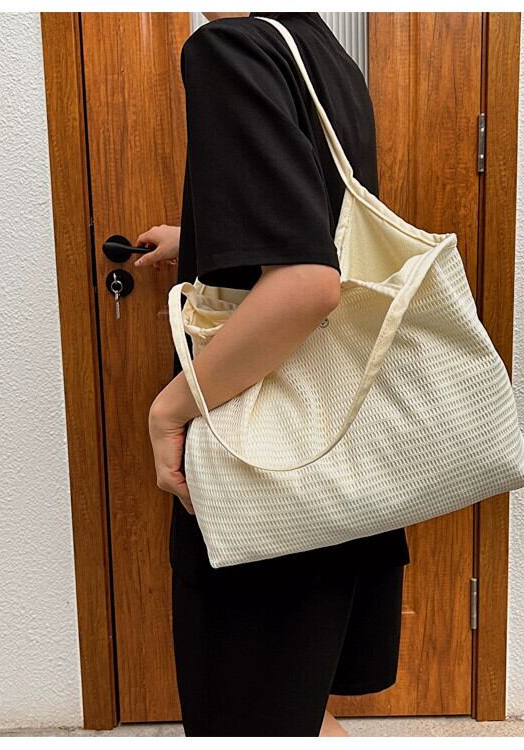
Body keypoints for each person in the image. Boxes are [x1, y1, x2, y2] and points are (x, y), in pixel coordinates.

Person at [136, 11, 410, 736]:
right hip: (335, 454)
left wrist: (170, 410)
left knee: (250, 720)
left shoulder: (228, 48)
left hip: (263, 476)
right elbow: (320, 228)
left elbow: (307, 283)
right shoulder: (322, 52)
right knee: (296, 709)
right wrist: (198, 238)